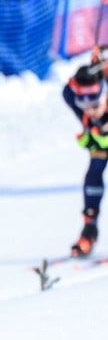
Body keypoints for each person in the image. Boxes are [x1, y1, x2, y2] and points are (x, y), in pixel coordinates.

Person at [62, 56, 108, 256]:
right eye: (83, 103)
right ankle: (89, 230)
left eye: (95, 103)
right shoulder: (73, 97)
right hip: (101, 140)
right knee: (93, 175)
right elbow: (69, 91)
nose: (89, 109)